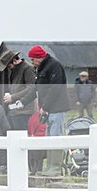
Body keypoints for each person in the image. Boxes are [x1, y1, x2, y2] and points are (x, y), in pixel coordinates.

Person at [28, 44, 70, 175]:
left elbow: (55, 88)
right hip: (49, 109)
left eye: (33, 59)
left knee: (56, 137)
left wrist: (44, 107)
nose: (32, 62)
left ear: (39, 57)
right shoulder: (42, 68)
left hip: (57, 108)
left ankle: (55, 167)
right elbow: (37, 88)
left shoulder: (54, 65)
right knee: (50, 138)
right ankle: (49, 167)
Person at [0, 49, 37, 131]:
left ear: (14, 61)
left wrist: (12, 97)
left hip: (23, 110)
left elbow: (31, 88)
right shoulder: (15, 70)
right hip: (14, 109)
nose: (9, 68)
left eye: (9, 66)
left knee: (20, 136)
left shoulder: (28, 69)